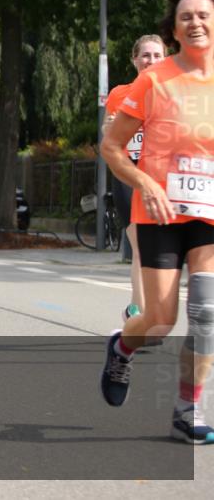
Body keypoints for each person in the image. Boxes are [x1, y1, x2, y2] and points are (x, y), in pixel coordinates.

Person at [99, 0, 214, 444]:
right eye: (186, 16)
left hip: (207, 213)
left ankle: (189, 410)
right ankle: (122, 348)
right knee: (160, 321)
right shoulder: (153, 80)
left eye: (204, 14)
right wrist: (145, 182)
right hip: (158, 214)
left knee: (206, 313)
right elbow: (111, 146)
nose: (196, 22)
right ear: (174, 27)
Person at [103, 35, 166, 321]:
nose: (150, 61)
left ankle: (137, 306)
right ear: (134, 60)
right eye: (145, 55)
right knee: (140, 241)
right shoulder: (119, 94)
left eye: (156, 55)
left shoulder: (174, 94)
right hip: (129, 173)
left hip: (163, 177)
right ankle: (139, 312)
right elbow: (109, 138)